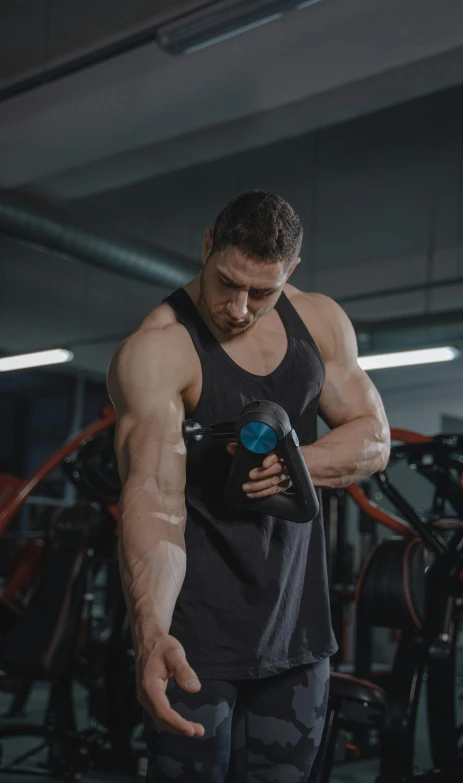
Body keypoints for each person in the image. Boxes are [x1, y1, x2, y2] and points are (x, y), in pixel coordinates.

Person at [107, 190, 390, 782]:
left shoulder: (319, 321)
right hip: (194, 640)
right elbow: (154, 497)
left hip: (298, 633)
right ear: (207, 246)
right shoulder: (160, 348)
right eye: (226, 282)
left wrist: (298, 462)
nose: (238, 308)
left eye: (262, 292)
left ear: (291, 272)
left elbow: (374, 437)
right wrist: (152, 630)